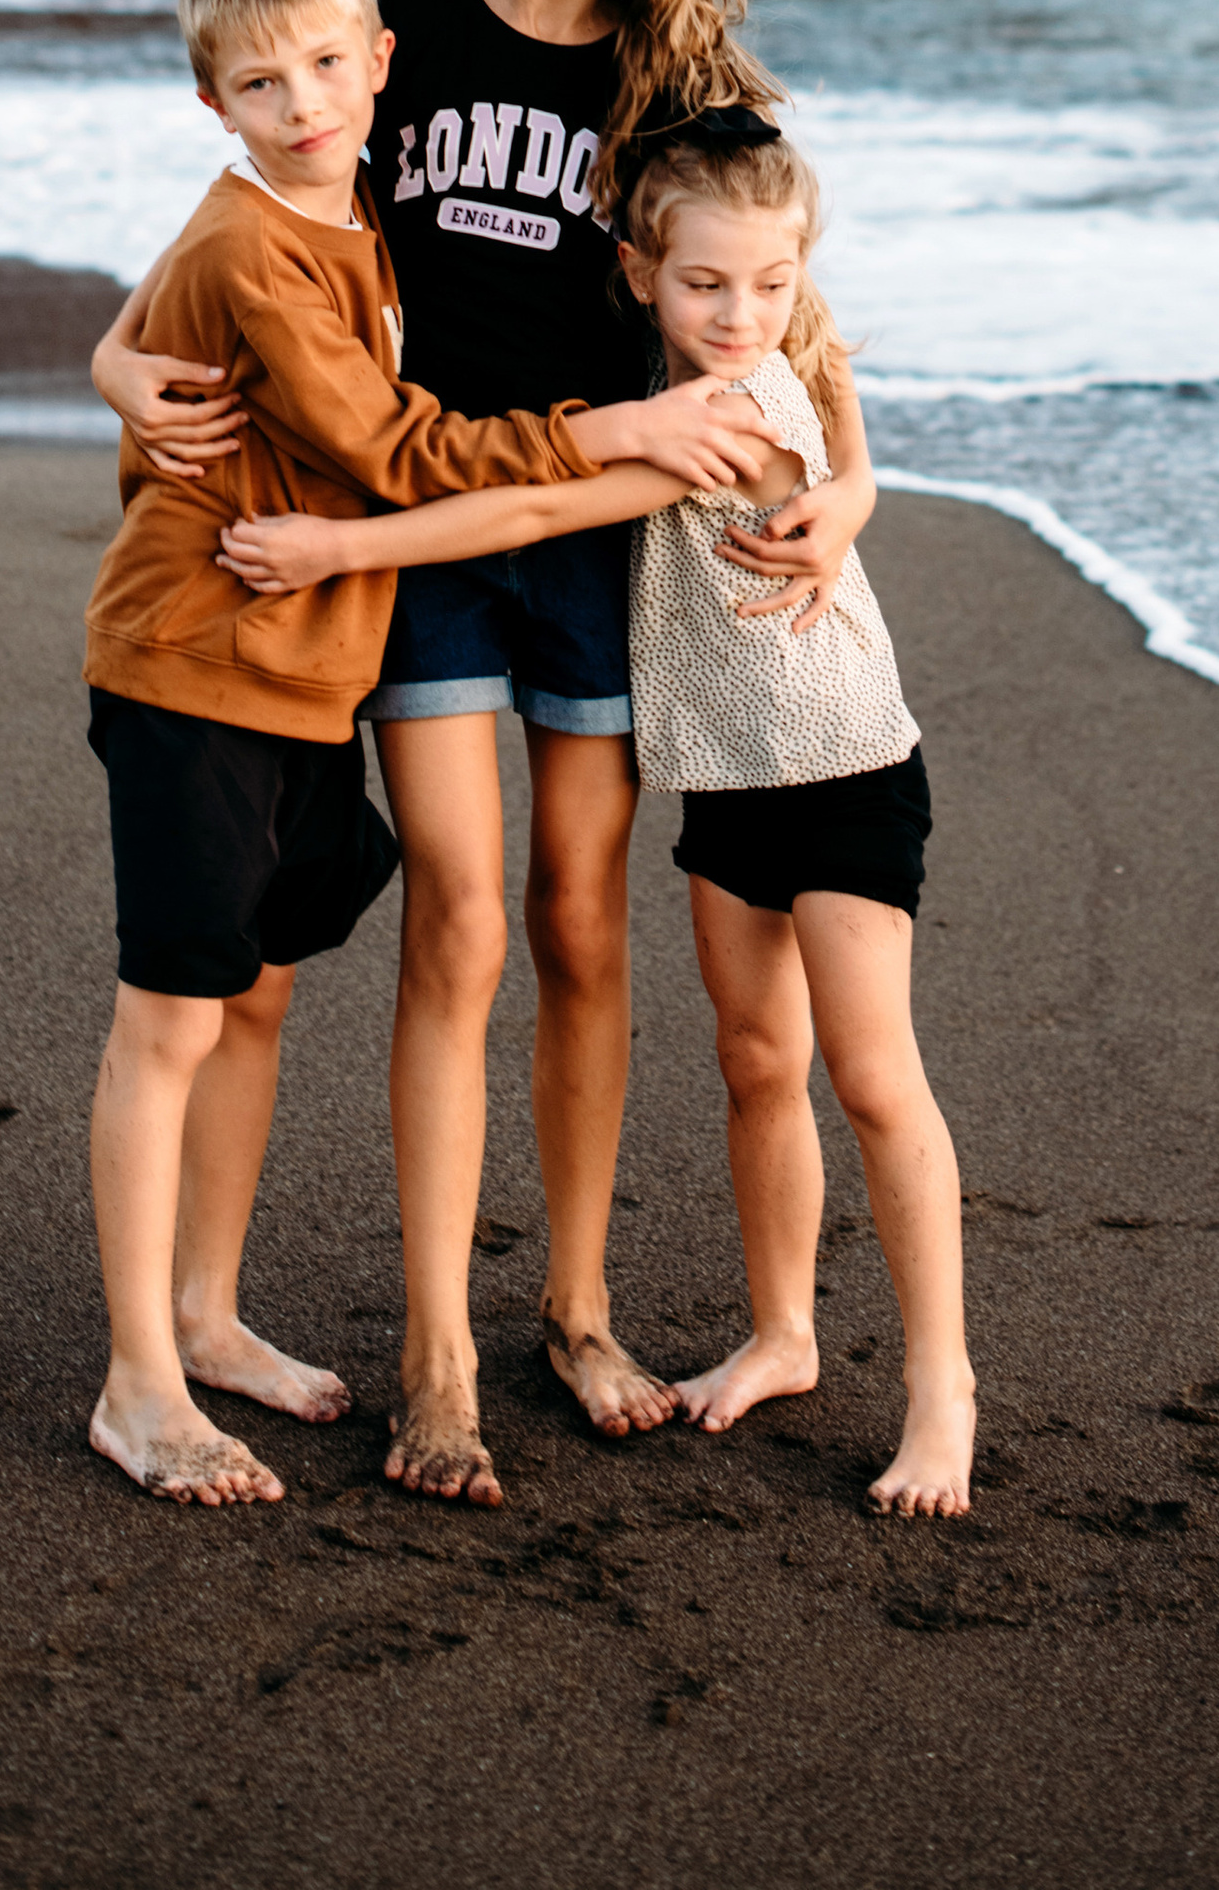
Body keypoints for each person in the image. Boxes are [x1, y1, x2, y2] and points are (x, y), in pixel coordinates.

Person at [94, 0, 877, 1508]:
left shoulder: (681, 86)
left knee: (583, 928)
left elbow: (802, 326)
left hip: (606, 559)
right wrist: (114, 370)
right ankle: (439, 1352)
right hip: (432, 562)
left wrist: (843, 492)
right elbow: (232, 238)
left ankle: (577, 1311)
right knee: (457, 922)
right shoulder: (399, 37)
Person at [221, 106, 977, 1521]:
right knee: (758, 1061)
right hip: (725, 780)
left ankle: (945, 1395)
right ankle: (785, 1332)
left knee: (874, 1082)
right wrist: (859, 481)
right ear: (638, 273)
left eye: (768, 285)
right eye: (705, 284)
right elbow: (833, 399)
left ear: (799, 274)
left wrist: (345, 544)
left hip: (845, 770)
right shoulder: (702, 362)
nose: (740, 313)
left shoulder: (730, 415)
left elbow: (523, 517)